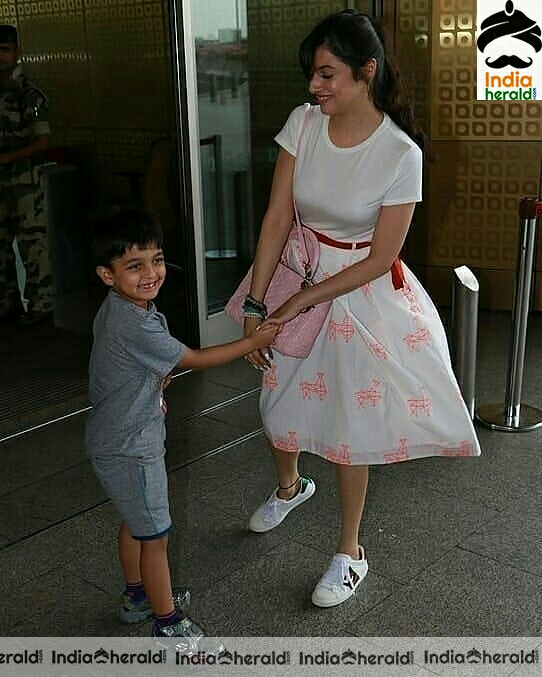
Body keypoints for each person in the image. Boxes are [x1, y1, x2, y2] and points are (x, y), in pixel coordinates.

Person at [242, 10, 481, 608]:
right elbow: (277, 218)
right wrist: (255, 299)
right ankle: (291, 485)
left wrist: (302, 299)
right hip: (299, 269)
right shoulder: (302, 123)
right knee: (276, 393)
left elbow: (381, 258)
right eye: (312, 75)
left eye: (327, 74)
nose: (314, 87)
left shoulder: (401, 152)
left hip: (358, 292)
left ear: (366, 71)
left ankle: (351, 551)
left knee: (349, 422)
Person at [86, 206, 279, 645]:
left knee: (136, 521)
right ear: (107, 274)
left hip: (115, 436)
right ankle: (167, 622)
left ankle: (137, 597)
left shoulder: (121, 309)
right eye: (134, 266)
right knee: (156, 535)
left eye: (156, 260)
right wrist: (253, 341)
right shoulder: (135, 321)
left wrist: (152, 385)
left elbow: (125, 366)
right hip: (131, 445)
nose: (151, 273)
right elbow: (195, 359)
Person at [0, 24, 52, 324]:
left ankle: (41, 305)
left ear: (16, 52)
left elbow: (42, 142)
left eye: (5, 50)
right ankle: (7, 303)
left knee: (33, 245)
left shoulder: (28, 94)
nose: (0, 57)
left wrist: (7, 157)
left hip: (24, 184)